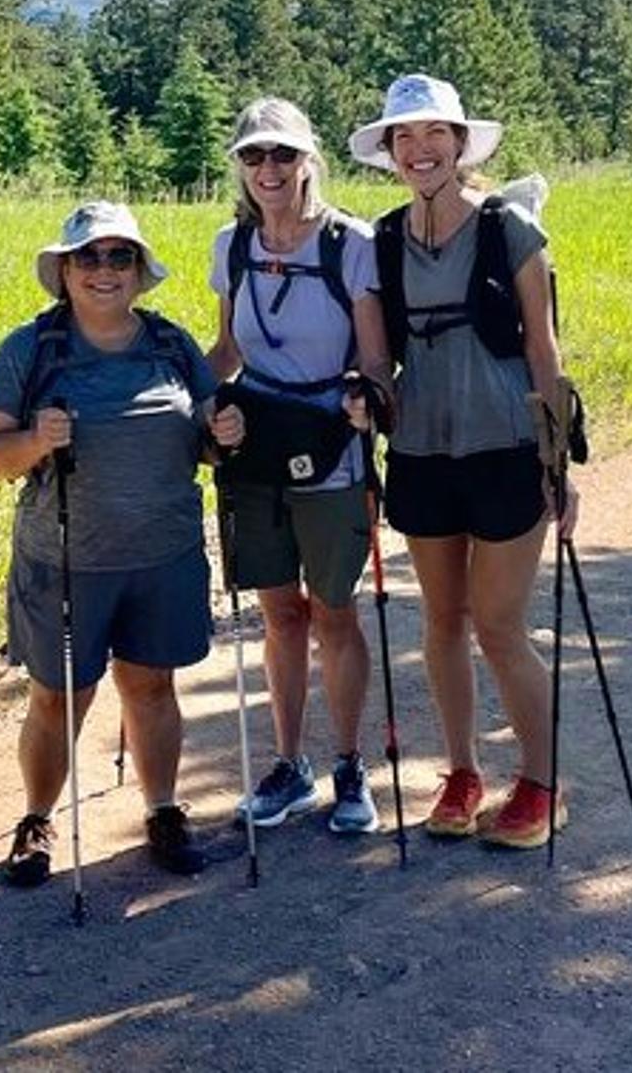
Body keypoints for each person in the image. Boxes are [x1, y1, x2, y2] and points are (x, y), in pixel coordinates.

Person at [0, 201, 244, 886]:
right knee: (58, 695)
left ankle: (163, 808)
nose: (103, 270)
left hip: (162, 554)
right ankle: (36, 818)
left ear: (139, 272)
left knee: (153, 685)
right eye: (87, 257)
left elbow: (207, 436)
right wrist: (32, 440)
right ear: (63, 270)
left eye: (119, 256)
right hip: (64, 560)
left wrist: (225, 435)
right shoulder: (28, 350)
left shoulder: (171, 345)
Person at [348, 73, 581, 849]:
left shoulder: (510, 227)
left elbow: (544, 351)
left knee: (499, 624)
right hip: (421, 451)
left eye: (432, 135)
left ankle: (543, 784)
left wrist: (560, 465)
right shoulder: (381, 241)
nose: (419, 150)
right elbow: (379, 360)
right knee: (440, 621)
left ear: (458, 144)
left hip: (507, 447)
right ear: (389, 152)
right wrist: (367, 397)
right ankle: (462, 772)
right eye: (403, 138)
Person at [205, 98, 392, 835]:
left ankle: (348, 763)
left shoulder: (352, 242)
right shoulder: (231, 244)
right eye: (254, 156)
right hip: (256, 444)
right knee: (280, 614)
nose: (269, 169)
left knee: (334, 611)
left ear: (310, 159)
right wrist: (189, 401)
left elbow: (374, 356)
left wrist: (368, 399)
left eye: (283, 154)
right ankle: (290, 765)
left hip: (330, 442)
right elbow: (227, 352)